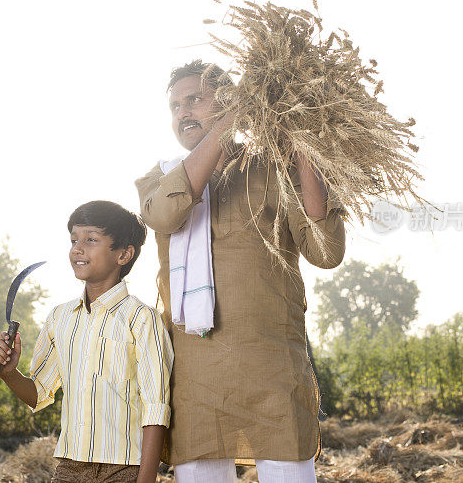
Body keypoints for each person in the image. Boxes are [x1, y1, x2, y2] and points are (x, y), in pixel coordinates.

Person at [135, 60, 346, 483]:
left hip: (273, 370)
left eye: (195, 99)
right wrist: (229, 122)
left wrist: (302, 145)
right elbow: (165, 216)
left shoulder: (276, 169)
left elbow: (326, 252)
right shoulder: (160, 178)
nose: (183, 113)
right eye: (175, 106)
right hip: (195, 377)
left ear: (231, 100)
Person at [0, 200, 173, 483]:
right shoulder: (59, 318)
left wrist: (146, 479)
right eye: (74, 239)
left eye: (91, 239)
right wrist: (10, 374)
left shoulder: (142, 319)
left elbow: (155, 407)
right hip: (68, 469)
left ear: (124, 254)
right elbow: (38, 394)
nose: (77, 248)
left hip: (124, 469)